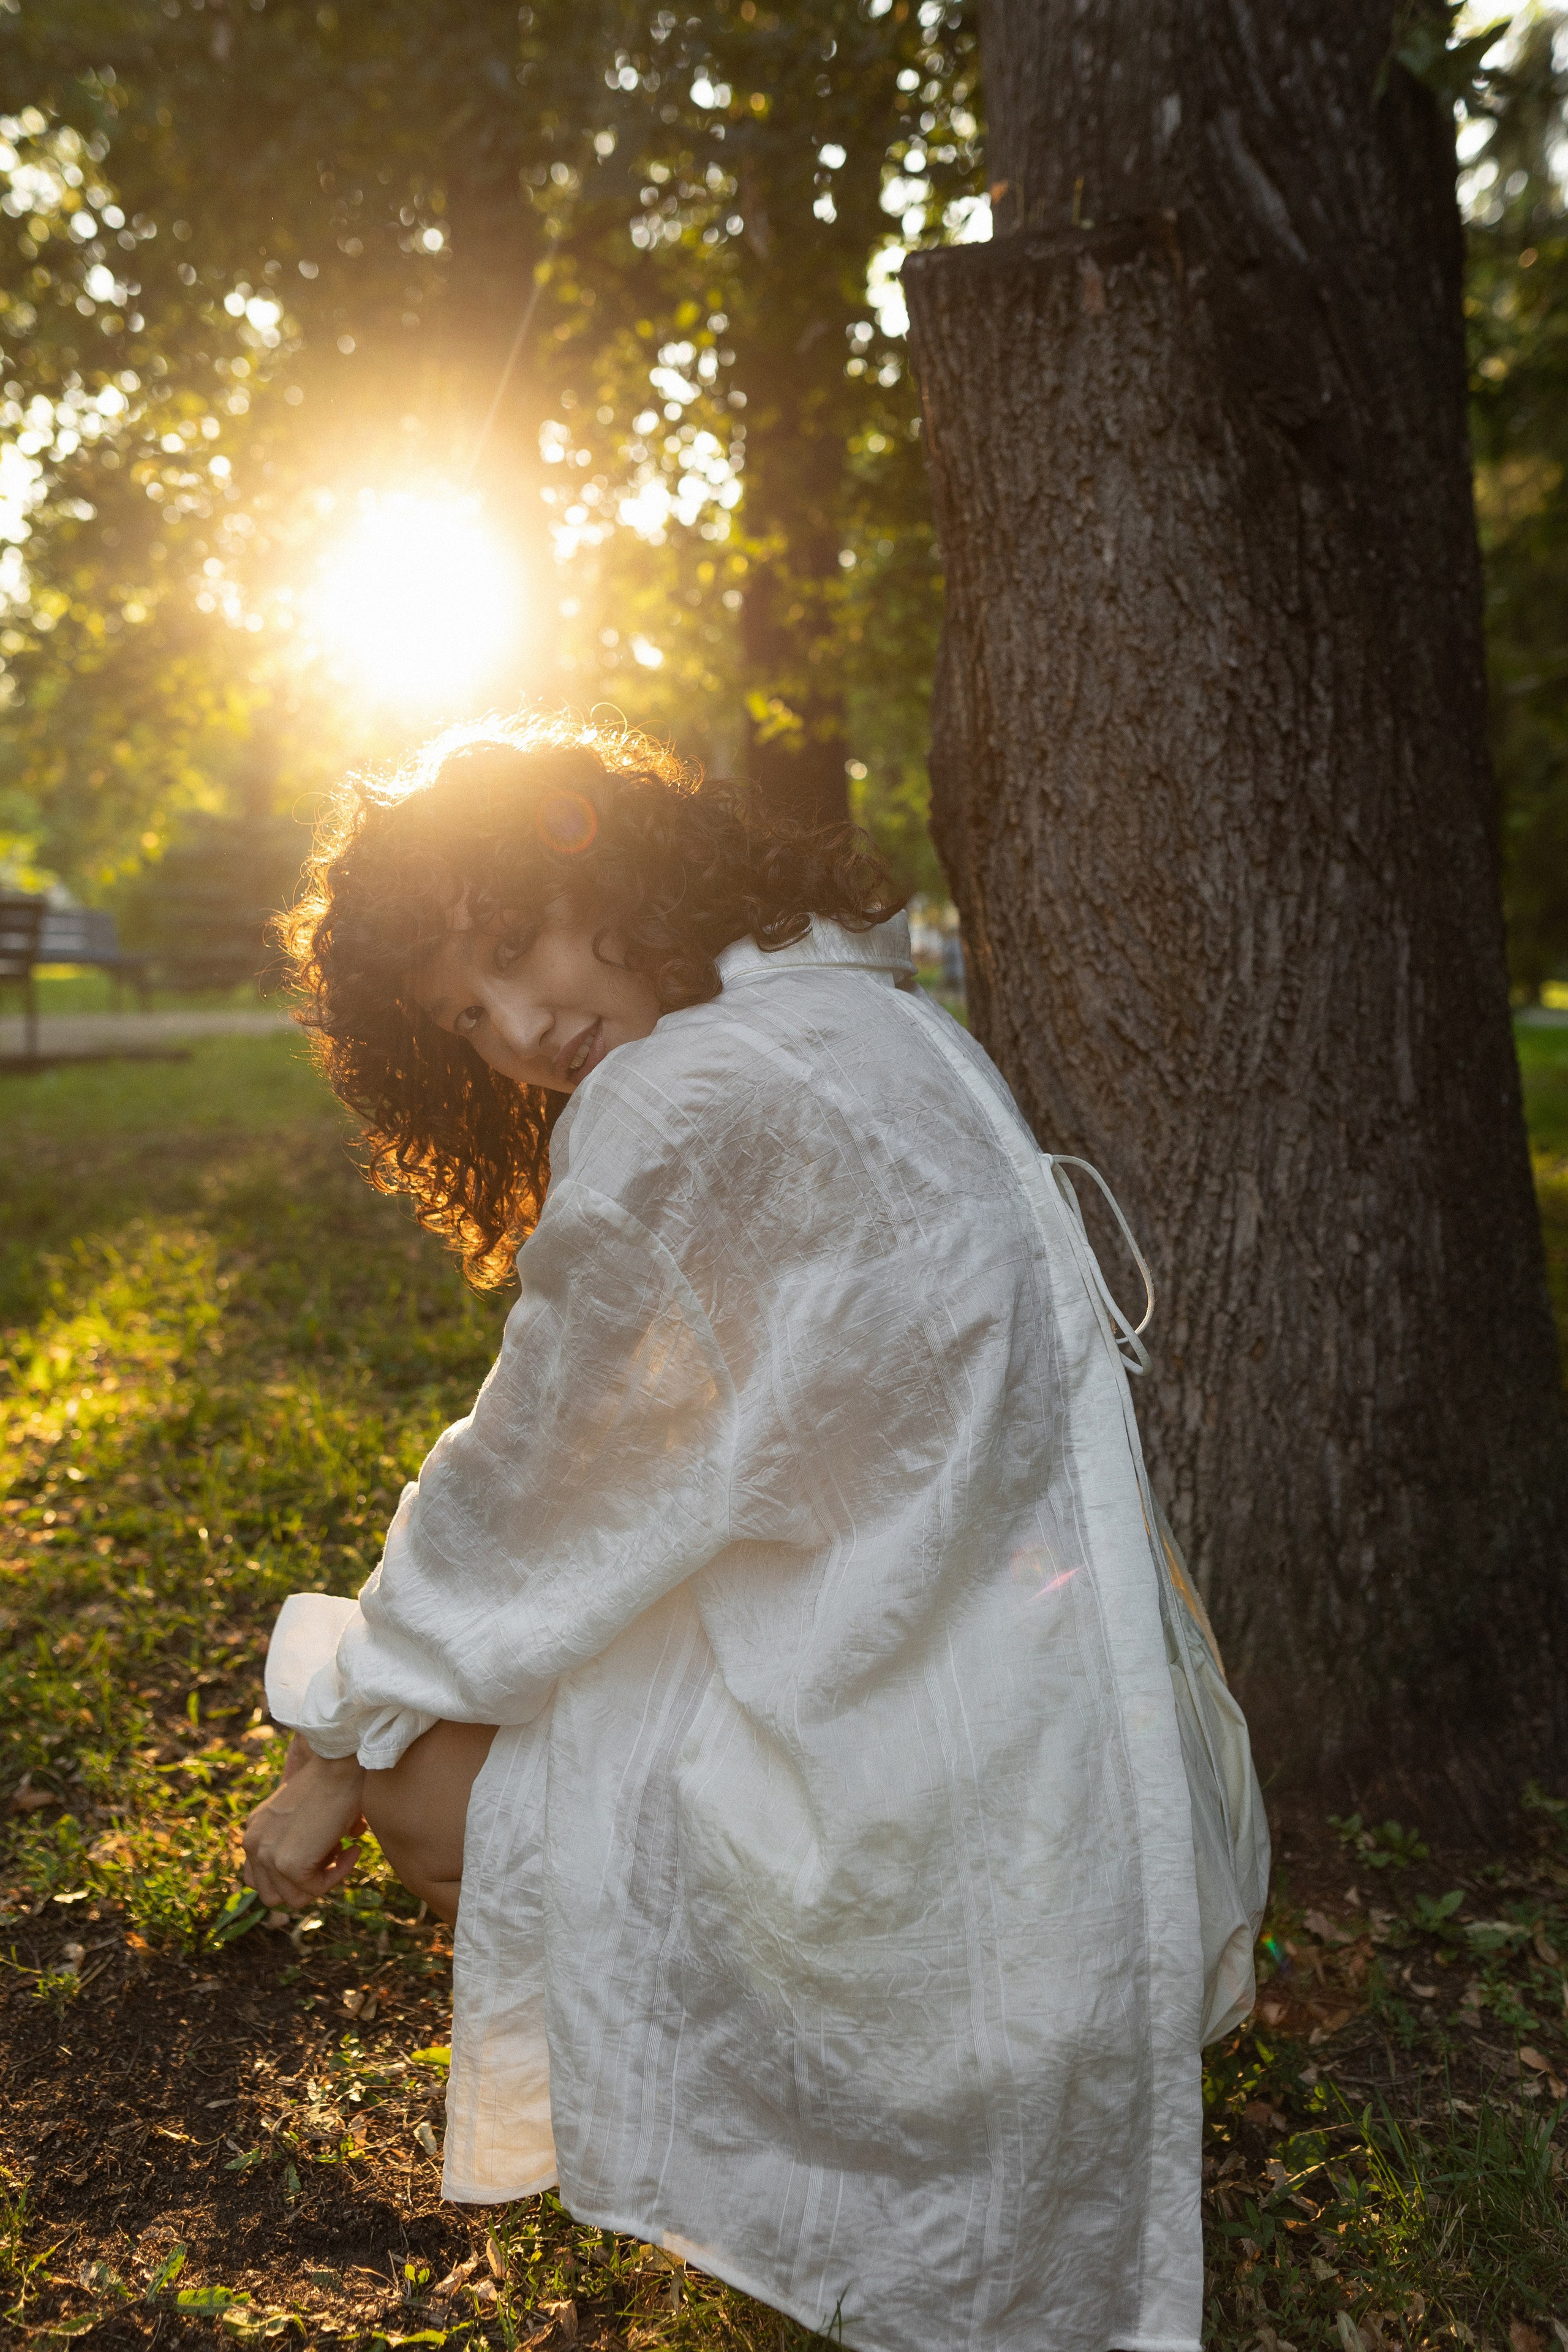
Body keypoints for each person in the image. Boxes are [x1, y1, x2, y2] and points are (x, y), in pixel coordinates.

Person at [243, 715, 1268, 2352]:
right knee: (501, 1698)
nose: (520, 1026)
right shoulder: (867, 1016)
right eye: (465, 1015)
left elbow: (525, 1489)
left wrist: (334, 1731)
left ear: (610, 862)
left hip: (931, 1804)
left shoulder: (690, 1093)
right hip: (1075, 1778)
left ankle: (796, 2176)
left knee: (420, 1783)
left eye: (512, 949)